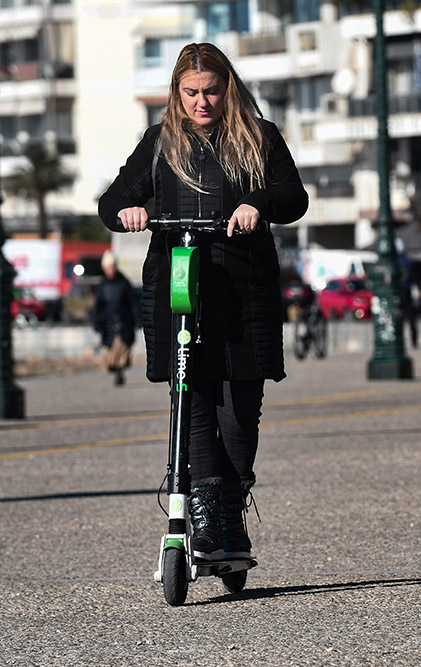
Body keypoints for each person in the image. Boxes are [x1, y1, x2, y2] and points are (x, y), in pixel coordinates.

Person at [97, 43, 309, 562]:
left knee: (240, 411)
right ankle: (207, 518)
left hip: (244, 291)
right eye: (190, 93)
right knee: (189, 401)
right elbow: (110, 201)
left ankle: (231, 515)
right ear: (176, 92)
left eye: (211, 90)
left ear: (227, 87)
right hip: (179, 287)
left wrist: (257, 203)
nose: (201, 102)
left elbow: (294, 197)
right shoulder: (159, 143)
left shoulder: (259, 137)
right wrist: (127, 211)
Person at [92, 251, 136, 386]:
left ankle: (120, 372)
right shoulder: (102, 286)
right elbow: (97, 307)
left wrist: (139, 320)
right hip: (108, 324)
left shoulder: (125, 284)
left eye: (112, 267)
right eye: (108, 268)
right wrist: (96, 323)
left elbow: (134, 303)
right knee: (111, 359)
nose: (110, 271)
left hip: (125, 323)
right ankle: (117, 371)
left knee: (122, 352)